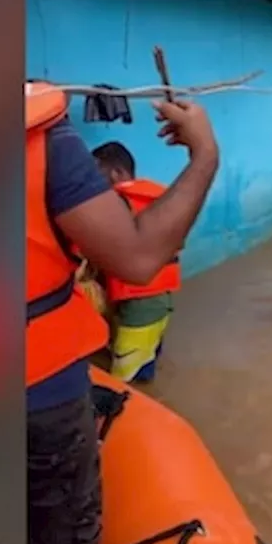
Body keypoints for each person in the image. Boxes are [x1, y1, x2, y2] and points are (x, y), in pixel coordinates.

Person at [24, 82, 219, 544]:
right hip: (39, 391)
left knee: (131, 365)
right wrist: (205, 155)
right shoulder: (39, 137)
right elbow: (137, 256)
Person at [90, 141, 181, 384]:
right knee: (145, 365)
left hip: (138, 304)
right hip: (162, 299)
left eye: (96, 175)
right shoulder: (161, 196)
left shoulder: (113, 204)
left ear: (116, 173)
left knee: (121, 385)